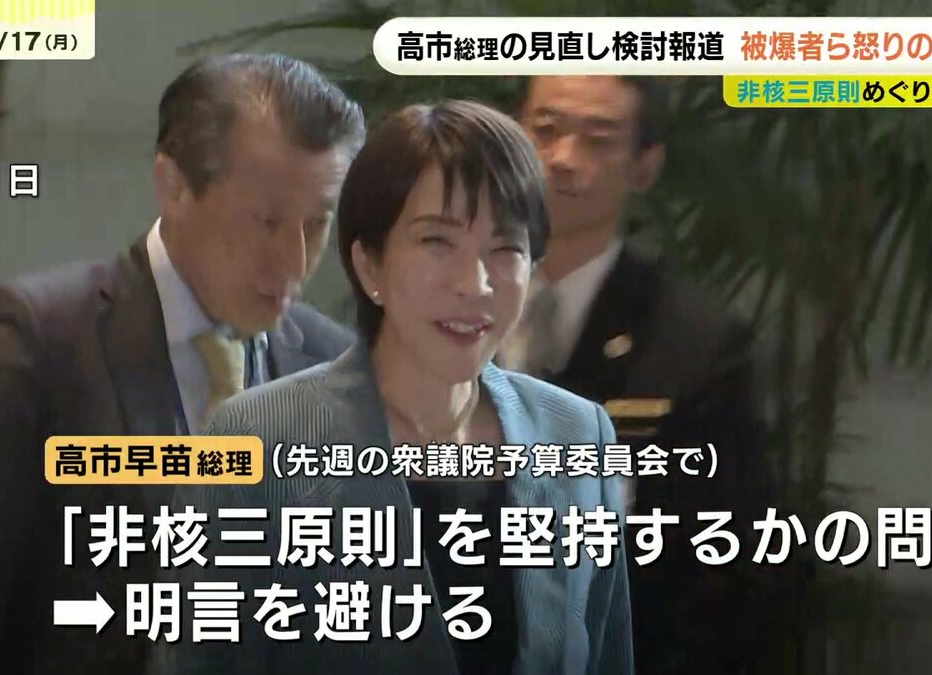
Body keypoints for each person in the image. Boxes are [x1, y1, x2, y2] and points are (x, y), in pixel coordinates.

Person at [152, 99, 633, 675]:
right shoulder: (256, 439)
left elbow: (609, 656)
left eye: (506, 248)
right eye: (437, 242)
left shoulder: (578, 435)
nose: (476, 284)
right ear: (370, 265)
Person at [0, 53, 364, 674]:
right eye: (267, 221)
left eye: (316, 225)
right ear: (174, 187)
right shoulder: (32, 344)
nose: (295, 262)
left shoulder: (333, 363)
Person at [507, 75, 771, 674]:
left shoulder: (695, 346)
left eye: (598, 140)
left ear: (645, 167)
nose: (563, 158)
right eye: (544, 131)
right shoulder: (442, 309)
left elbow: (727, 569)